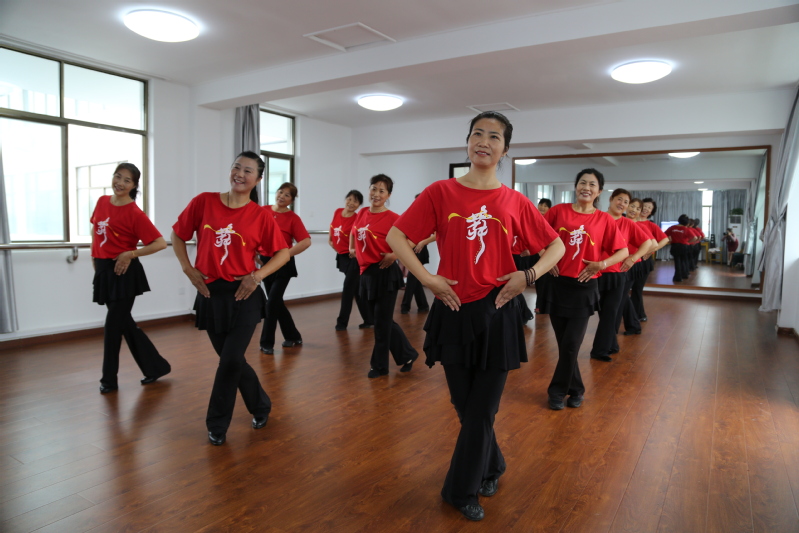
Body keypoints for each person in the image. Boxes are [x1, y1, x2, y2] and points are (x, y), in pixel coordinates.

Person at [388, 111, 564, 521]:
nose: (484, 141)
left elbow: (556, 246)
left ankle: (459, 490)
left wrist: (528, 275)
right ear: (467, 142)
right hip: (452, 308)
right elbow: (397, 235)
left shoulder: (515, 201)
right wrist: (427, 279)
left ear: (505, 149)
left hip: (497, 309)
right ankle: (493, 464)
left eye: (494, 137)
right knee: (464, 405)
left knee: (483, 409)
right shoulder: (440, 192)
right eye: (477, 134)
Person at [172, 151, 289, 446]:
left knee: (230, 360)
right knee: (232, 360)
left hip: (244, 294)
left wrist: (257, 276)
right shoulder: (204, 202)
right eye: (237, 167)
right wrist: (188, 268)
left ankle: (216, 423)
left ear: (258, 180)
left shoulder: (260, 215)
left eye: (248, 171)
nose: (240, 174)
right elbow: (177, 234)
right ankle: (261, 405)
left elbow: (283, 253)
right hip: (210, 294)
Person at [540, 169, 628, 410]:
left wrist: (602, 264)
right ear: (575, 186)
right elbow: (536, 235)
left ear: (599, 191)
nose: (586, 188)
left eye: (592, 184)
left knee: (571, 344)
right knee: (565, 345)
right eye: (582, 182)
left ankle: (556, 391)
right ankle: (576, 389)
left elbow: (623, 251)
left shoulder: (604, 219)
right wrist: (545, 258)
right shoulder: (558, 211)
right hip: (557, 285)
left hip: (584, 286)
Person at [91, 163, 171, 394]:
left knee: (112, 327)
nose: (120, 183)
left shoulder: (135, 213)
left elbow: (160, 243)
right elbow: (95, 230)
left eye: (127, 180)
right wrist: (94, 257)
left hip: (124, 272)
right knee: (123, 323)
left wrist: (130, 254)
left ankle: (109, 380)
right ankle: (156, 366)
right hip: (104, 269)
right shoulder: (102, 201)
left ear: (134, 186)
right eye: (118, 177)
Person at [351, 174, 418, 378]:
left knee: (381, 323)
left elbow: (414, 239)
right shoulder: (362, 213)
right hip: (366, 273)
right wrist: (352, 249)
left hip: (385, 272)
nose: (376, 194)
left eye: (382, 191)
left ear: (388, 195)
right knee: (380, 320)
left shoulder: (394, 218)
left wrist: (395, 254)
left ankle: (379, 367)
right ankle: (408, 354)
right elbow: (354, 233)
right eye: (374, 189)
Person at [589, 189, 651, 361]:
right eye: (619, 199)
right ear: (611, 199)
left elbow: (647, 243)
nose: (622, 204)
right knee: (600, 313)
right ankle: (612, 344)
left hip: (616, 274)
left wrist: (633, 258)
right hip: (595, 273)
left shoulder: (628, 224)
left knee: (610, 314)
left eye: (626, 202)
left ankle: (599, 350)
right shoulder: (597, 218)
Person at [258, 183, 311, 354]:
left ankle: (266, 343)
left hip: (283, 264)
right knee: (276, 302)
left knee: (272, 302)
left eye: (287, 195)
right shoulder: (263, 211)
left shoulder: (293, 218)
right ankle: (293, 335)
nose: (282, 196)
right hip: (265, 262)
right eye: (280, 192)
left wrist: (286, 254)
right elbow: (253, 233)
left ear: (292, 200)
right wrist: (253, 254)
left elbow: (305, 241)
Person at [329, 190, 374, 330]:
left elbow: (359, 236)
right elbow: (332, 229)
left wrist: (355, 251)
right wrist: (331, 241)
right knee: (356, 289)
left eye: (355, 201)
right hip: (341, 256)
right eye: (349, 199)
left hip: (353, 258)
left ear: (359, 205)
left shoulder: (357, 218)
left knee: (348, 288)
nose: (351, 203)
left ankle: (341, 323)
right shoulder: (338, 212)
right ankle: (369, 319)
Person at [634, 198, 669, 321]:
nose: (646, 209)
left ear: (651, 212)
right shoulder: (629, 221)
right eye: (645, 206)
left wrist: (651, 250)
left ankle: (639, 314)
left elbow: (665, 239)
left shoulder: (651, 225)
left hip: (643, 261)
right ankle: (628, 314)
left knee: (637, 289)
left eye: (650, 208)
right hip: (629, 259)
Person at [400, 194, 434, 314]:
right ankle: (423, 305)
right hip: (411, 249)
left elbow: (436, 235)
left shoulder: (430, 216)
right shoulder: (413, 215)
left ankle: (405, 306)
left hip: (420, 250)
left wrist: (423, 242)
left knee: (412, 278)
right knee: (415, 279)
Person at [665, 215, 692, 282]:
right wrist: (688, 242)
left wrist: (670, 239)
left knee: (677, 262)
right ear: (687, 222)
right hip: (684, 246)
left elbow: (664, 234)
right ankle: (685, 274)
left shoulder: (672, 227)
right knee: (683, 261)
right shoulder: (686, 229)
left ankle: (678, 277)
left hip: (675, 246)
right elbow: (695, 238)